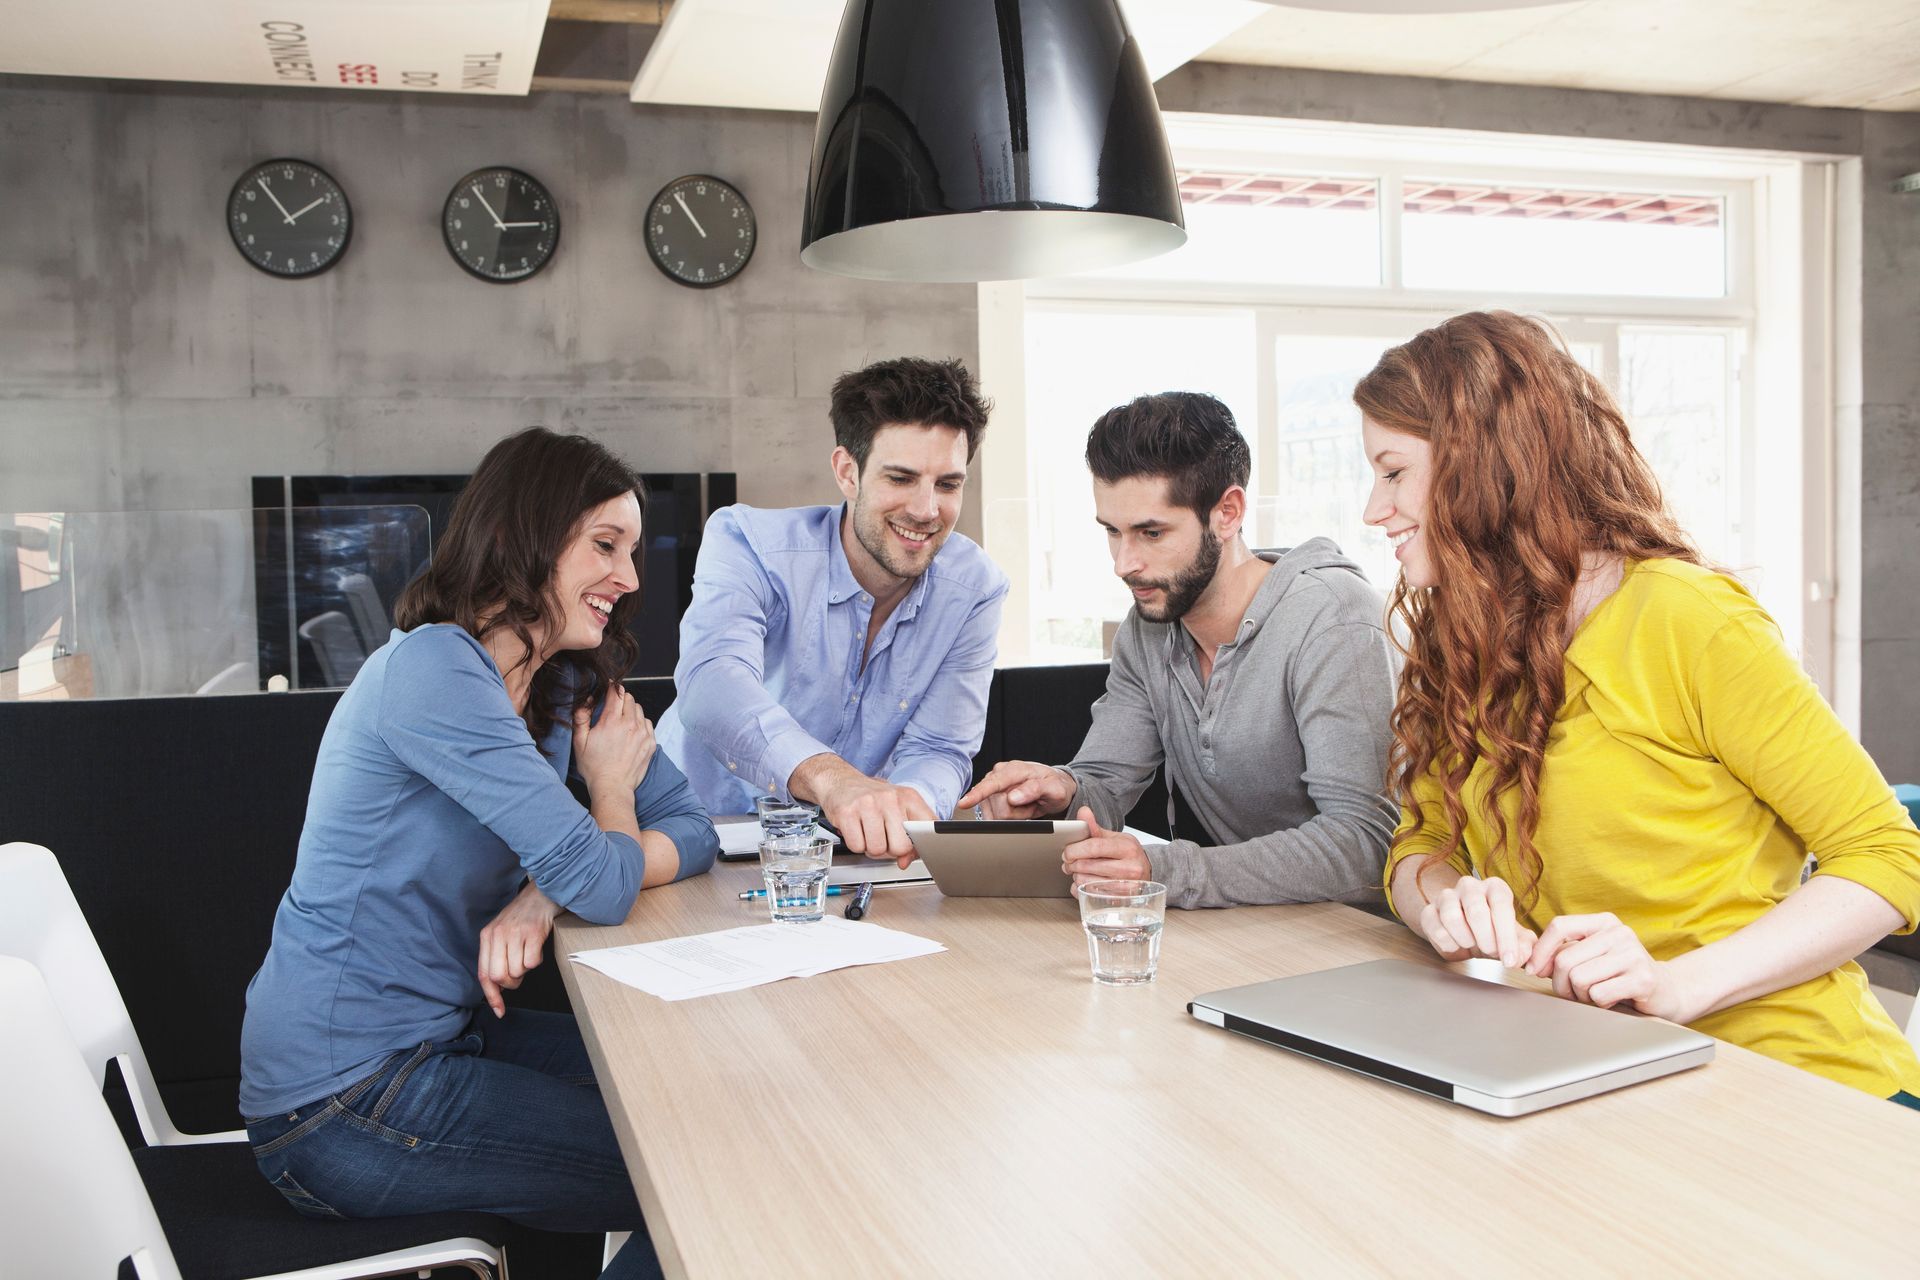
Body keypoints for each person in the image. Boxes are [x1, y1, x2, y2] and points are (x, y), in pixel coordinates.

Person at [1357, 310, 1920, 1102]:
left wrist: (1678, 986)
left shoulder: (1688, 619)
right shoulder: (1469, 637)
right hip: (1586, 1064)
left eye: (1392, 472)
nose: (1373, 510)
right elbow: (1420, 842)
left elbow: (1887, 854)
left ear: (1483, 464)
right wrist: (1446, 904)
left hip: (1792, 1083)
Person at [239, 428, 718, 1276]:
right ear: (525, 536)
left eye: (634, 551)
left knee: (705, 1100)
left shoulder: (562, 679)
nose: (631, 578)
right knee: (697, 1170)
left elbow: (693, 828)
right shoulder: (436, 670)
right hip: (339, 1101)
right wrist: (606, 795)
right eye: (605, 546)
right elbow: (606, 885)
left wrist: (543, 891)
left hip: (441, 1042)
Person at [960, 392, 1399, 908]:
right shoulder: (1147, 628)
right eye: (1113, 532)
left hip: (1359, 942)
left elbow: (1366, 845)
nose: (1124, 563)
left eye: (1151, 533)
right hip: (1253, 932)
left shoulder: (1333, 619)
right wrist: (1059, 792)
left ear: (1227, 513)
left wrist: (1169, 869)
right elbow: (1105, 785)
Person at [657, 357, 1008, 863]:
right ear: (847, 472)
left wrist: (914, 802)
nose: (927, 510)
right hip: (690, 837)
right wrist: (831, 778)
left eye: (948, 484)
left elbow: (940, 747)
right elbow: (712, 685)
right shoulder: (748, 543)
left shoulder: (975, 588)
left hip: (837, 856)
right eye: (901, 478)